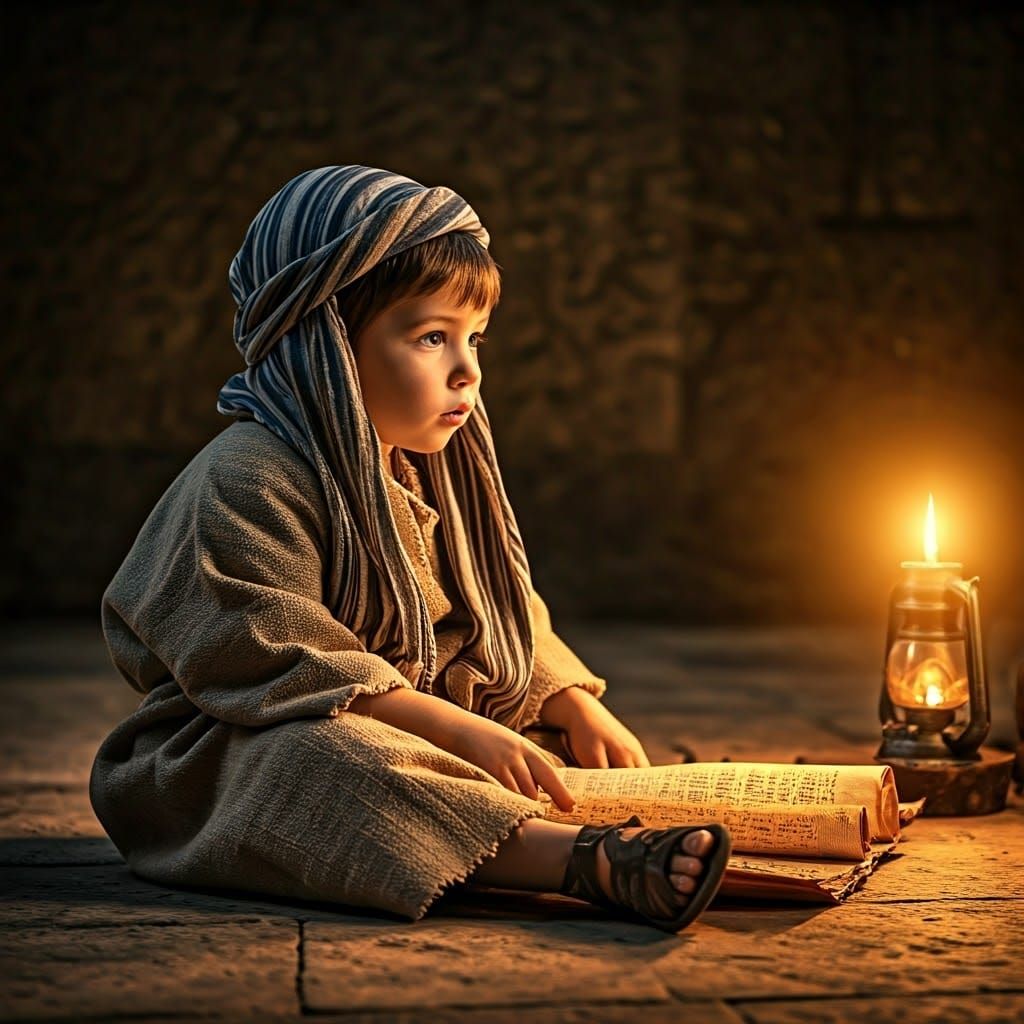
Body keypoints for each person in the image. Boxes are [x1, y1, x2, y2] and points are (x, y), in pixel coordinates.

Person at [90, 166, 730, 933]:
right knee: (322, 766)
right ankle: (581, 861)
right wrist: (451, 726)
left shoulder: (427, 474)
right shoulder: (247, 476)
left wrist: (565, 700)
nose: (469, 372)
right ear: (322, 341)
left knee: (540, 742)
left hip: (407, 721)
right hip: (233, 750)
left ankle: (531, 824)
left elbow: (498, 606)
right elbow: (262, 646)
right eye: (432, 338)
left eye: (474, 340)